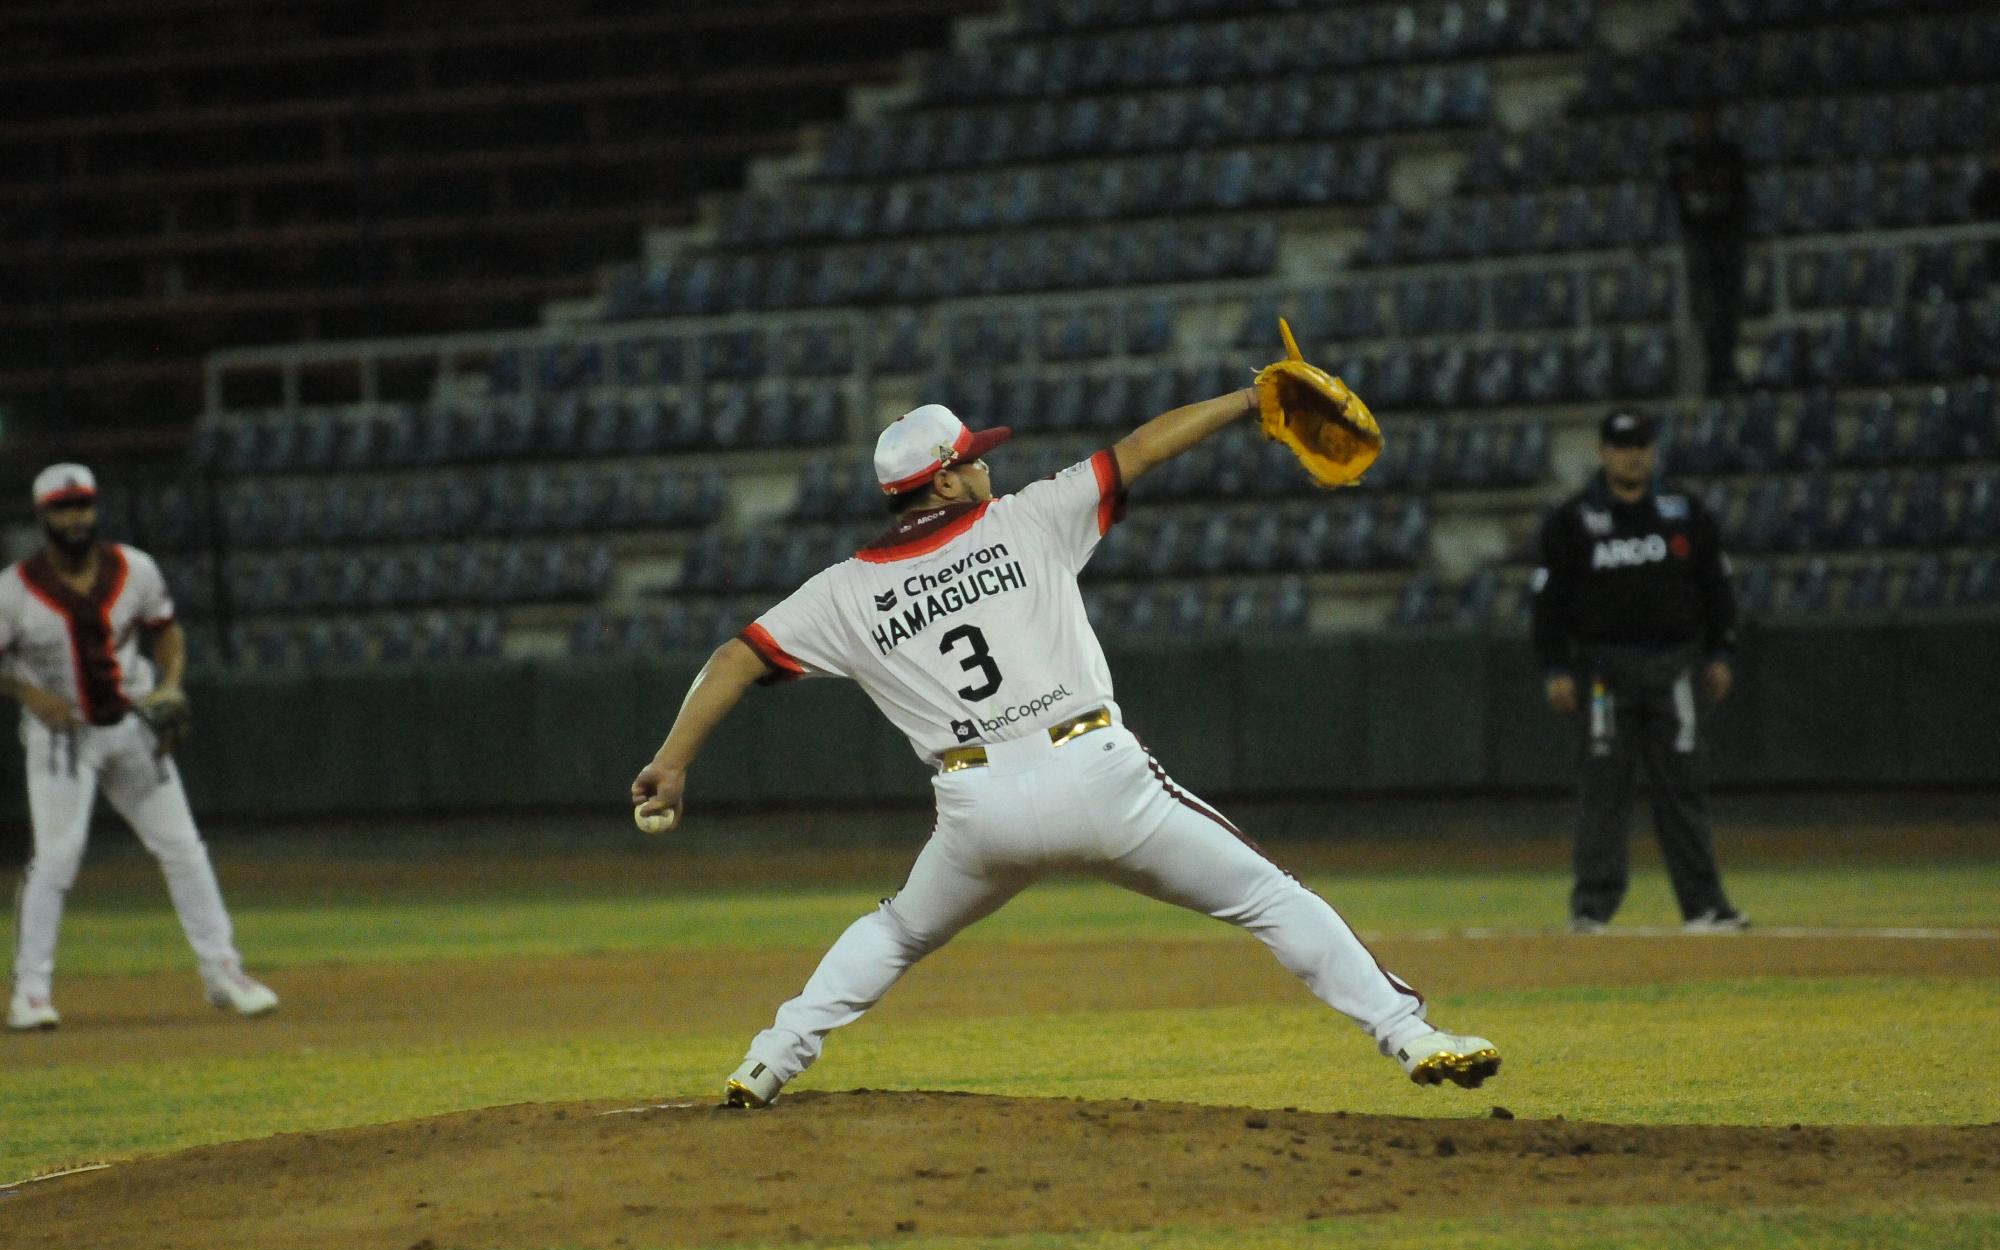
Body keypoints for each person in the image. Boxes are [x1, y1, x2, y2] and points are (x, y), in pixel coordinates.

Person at [631, 395, 1500, 1108]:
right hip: (1098, 774)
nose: (988, 465)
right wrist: (1246, 398)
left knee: (895, 931)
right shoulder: (1027, 519)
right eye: (974, 457)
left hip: (979, 810)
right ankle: (1411, 1035)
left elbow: (733, 658)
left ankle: (770, 1061)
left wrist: (672, 761)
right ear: (947, 477)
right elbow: (1140, 449)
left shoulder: (844, 590)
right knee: (1271, 896)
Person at [4, 463, 278, 1031]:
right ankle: (30, 991)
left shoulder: (134, 568)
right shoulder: (14, 590)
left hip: (131, 728)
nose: (75, 517)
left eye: (82, 505)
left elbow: (167, 630)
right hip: (62, 738)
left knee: (182, 846)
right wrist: (31, 695)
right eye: (63, 507)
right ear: (42, 516)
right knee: (56, 858)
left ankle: (224, 971)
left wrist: (172, 684)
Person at [1531, 410, 1746, 935]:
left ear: (1653, 451)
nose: (1633, 455)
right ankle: (1591, 909)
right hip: (1602, 669)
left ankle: (1704, 906)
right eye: (1623, 446)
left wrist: (1719, 652)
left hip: (1675, 665)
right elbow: (1548, 601)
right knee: (1603, 790)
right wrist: (1556, 666)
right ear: (1603, 452)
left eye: (1642, 445)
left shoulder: (1684, 513)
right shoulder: (1573, 520)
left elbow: (1717, 588)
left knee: (1683, 787)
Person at [1664, 108, 1750, 394]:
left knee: (1727, 311)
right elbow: (1674, 193)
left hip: (1725, 239)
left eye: (1705, 120)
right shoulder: (1681, 155)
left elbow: (1739, 195)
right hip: (1698, 240)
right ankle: (1712, 371)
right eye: (1696, 120)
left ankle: (1725, 369)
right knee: (1705, 312)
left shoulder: (1727, 153)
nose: (1700, 125)